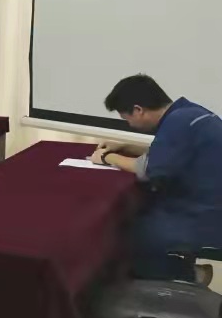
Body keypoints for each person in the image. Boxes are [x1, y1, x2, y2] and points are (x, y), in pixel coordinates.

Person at [90, 75, 222, 285]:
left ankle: (190, 275)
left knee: (124, 236)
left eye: (127, 118)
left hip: (205, 215)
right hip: (206, 201)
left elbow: (148, 169)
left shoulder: (177, 122)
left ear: (138, 110)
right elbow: (170, 152)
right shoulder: (189, 112)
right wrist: (125, 146)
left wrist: (107, 157)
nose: (129, 124)